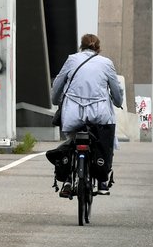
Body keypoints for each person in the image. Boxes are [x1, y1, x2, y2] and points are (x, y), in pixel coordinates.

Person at [46, 33, 124, 197]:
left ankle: (68, 180)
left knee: (73, 142)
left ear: (81, 46)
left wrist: (55, 100)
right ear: (98, 48)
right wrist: (117, 102)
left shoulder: (72, 60)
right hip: (100, 114)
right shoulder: (106, 63)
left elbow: (59, 83)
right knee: (104, 144)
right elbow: (116, 90)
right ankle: (103, 181)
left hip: (73, 113)